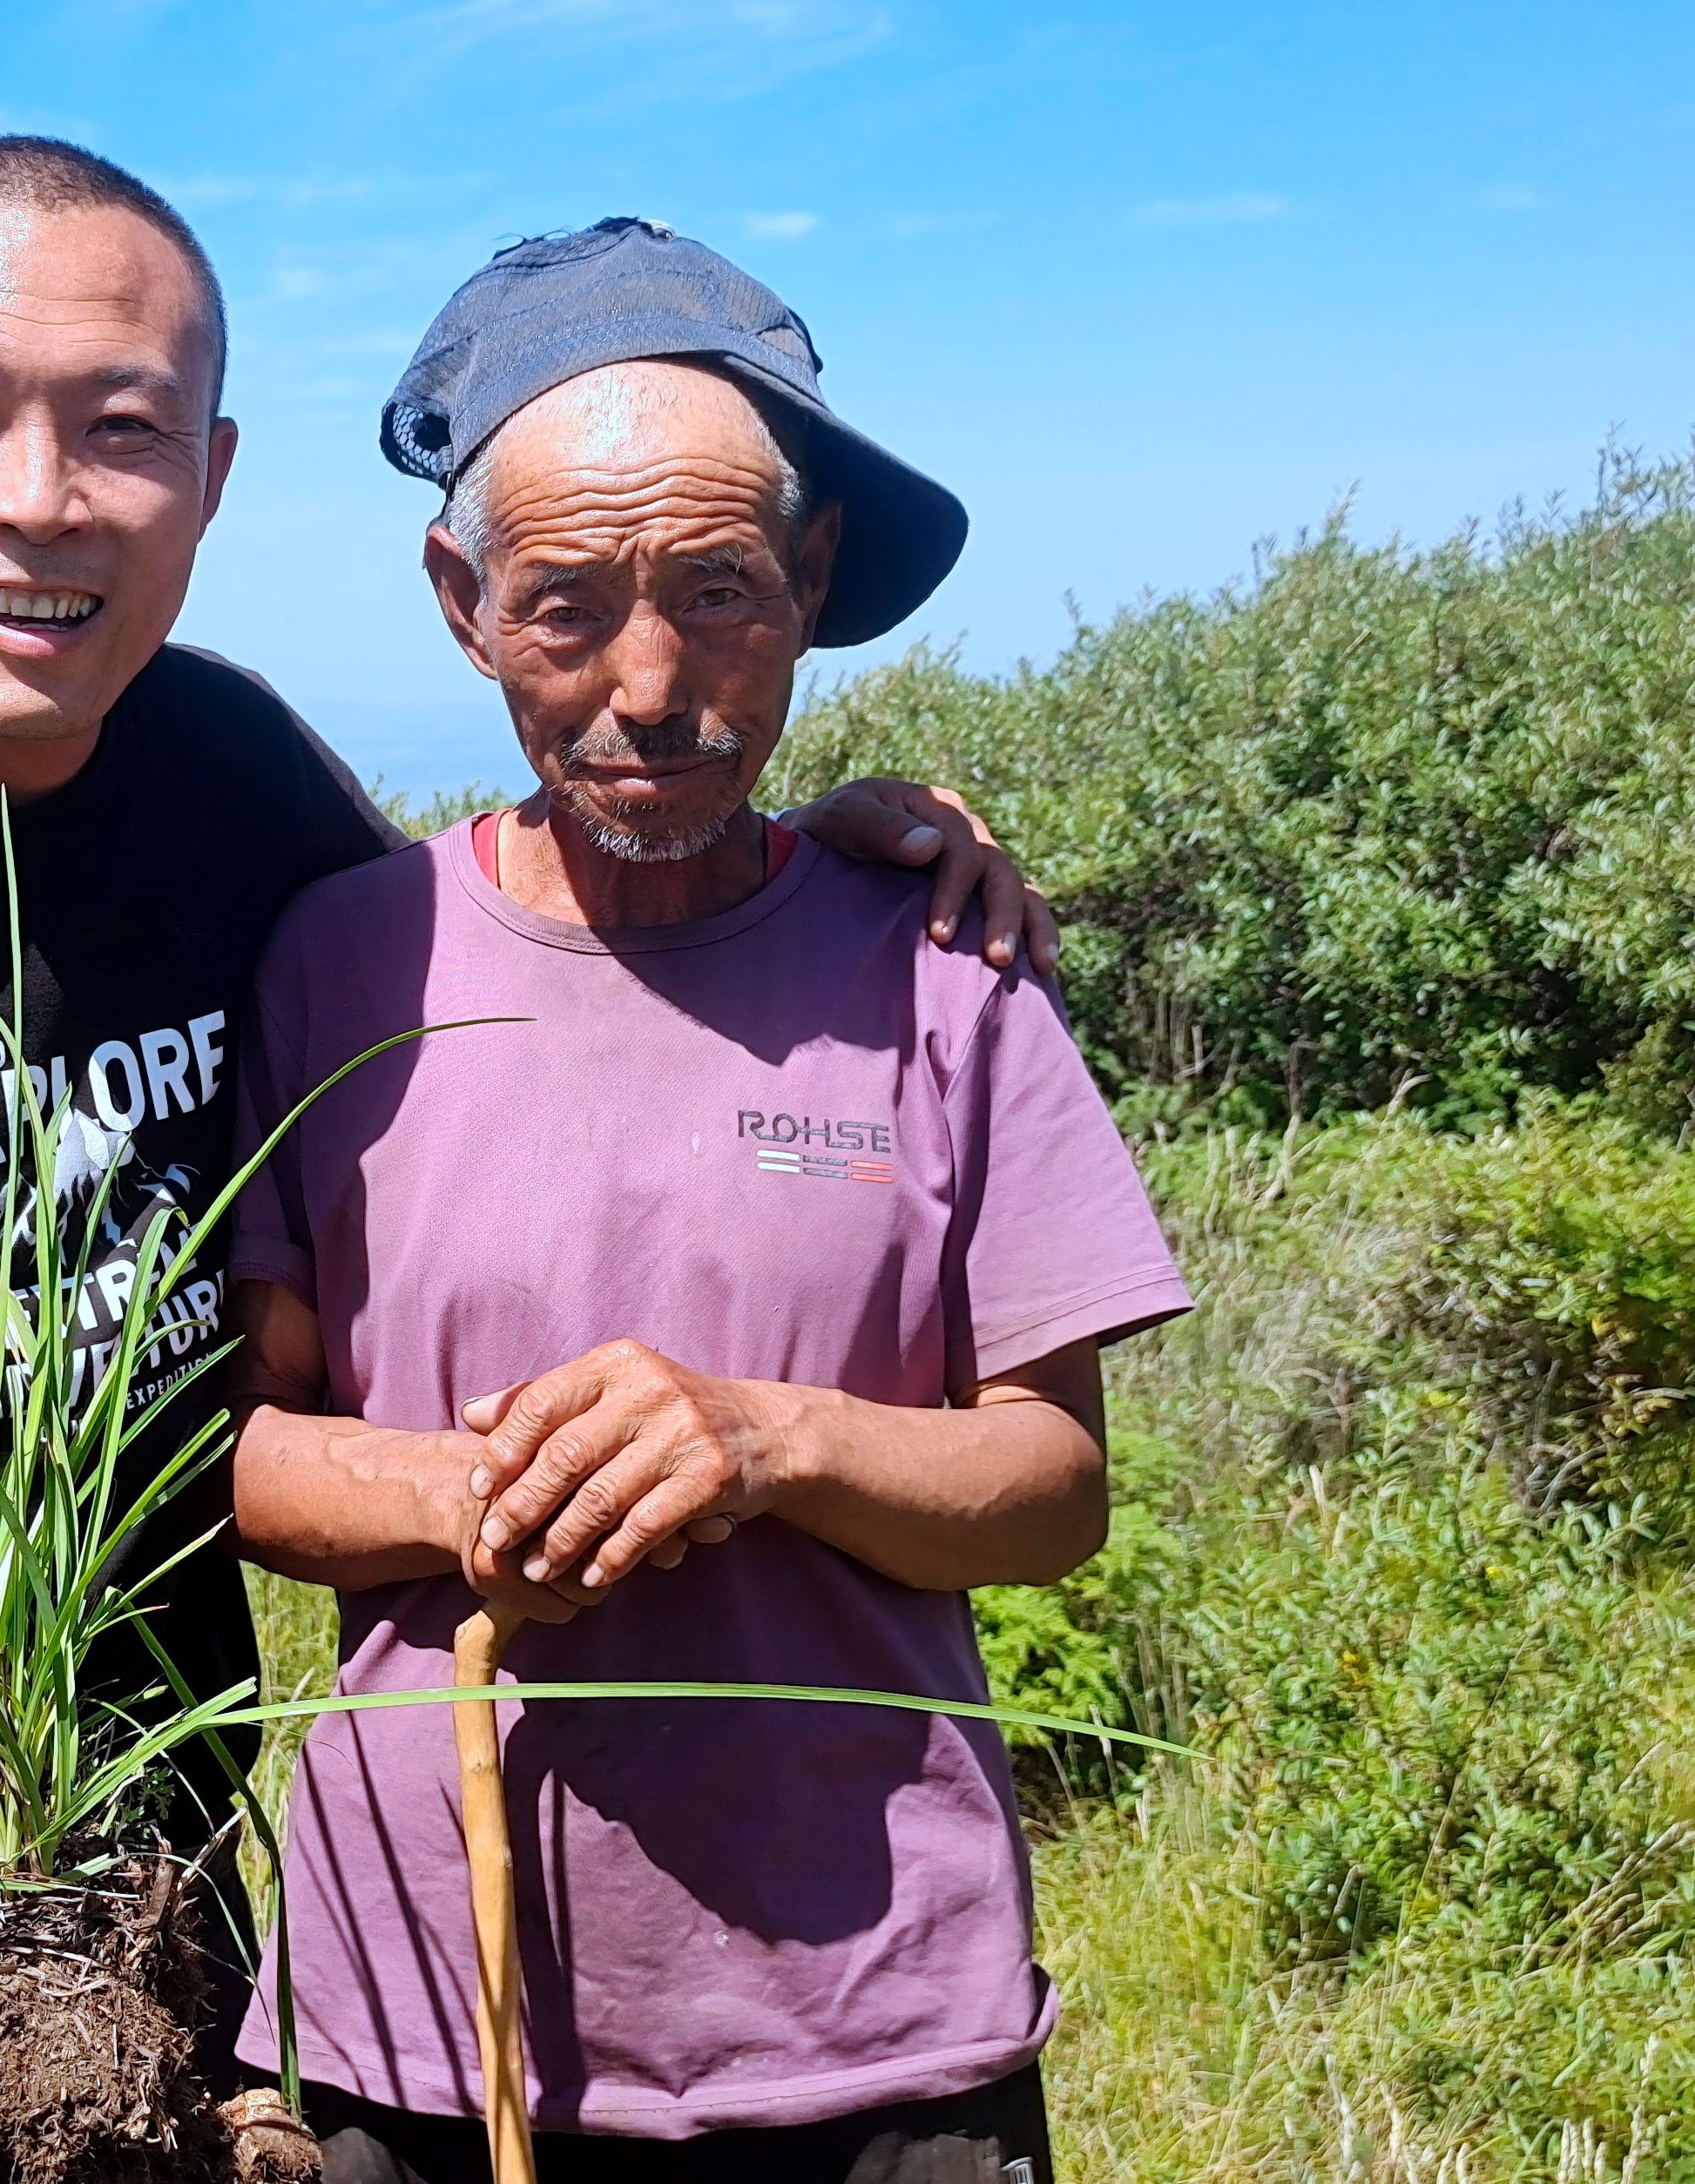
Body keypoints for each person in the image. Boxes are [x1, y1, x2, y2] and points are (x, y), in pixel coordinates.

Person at [0, 147, 1053, 2183]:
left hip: (152, 1920)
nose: (40, 500)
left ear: (206, 477)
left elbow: (532, 970)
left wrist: (802, 852)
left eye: (119, 432)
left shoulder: (220, 772)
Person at [226, 220, 1195, 2183]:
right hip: (427, 2024)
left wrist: (758, 1442)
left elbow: (1053, 1490)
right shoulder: (341, 962)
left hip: (869, 2036)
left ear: (814, 579)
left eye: (724, 596)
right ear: (461, 601)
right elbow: (249, 1453)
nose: (651, 688)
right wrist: (480, 1496)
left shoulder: (939, 967)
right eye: (566, 606)